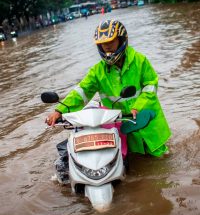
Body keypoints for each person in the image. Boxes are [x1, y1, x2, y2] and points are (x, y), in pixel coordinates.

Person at [46, 19, 171, 179]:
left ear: (121, 39)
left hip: (148, 125)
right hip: (122, 128)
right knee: (133, 170)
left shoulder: (140, 61)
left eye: (111, 41)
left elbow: (151, 86)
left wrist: (138, 106)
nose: (107, 46)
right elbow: (81, 92)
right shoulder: (97, 71)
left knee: (164, 167)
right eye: (103, 43)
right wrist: (59, 110)